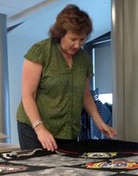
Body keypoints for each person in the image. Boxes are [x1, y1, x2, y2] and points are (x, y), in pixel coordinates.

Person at [16, 4, 116, 151]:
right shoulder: (40, 51)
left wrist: (100, 123)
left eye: (82, 39)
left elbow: (85, 94)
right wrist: (39, 129)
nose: (77, 44)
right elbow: (28, 95)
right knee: (41, 171)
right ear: (60, 33)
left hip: (67, 130)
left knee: (66, 171)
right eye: (73, 39)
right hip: (35, 129)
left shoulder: (84, 59)